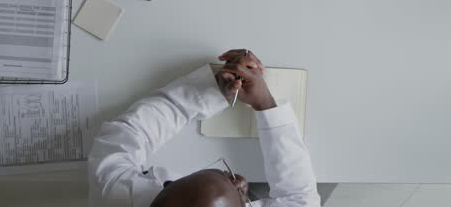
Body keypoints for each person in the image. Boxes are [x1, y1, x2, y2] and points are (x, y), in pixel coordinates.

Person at [88, 49, 325, 206]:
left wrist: (213, 92)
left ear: (168, 185)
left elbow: (130, 131)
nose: (239, 177)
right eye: (242, 197)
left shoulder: (115, 194)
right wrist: (265, 104)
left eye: (224, 173)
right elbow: (302, 200)